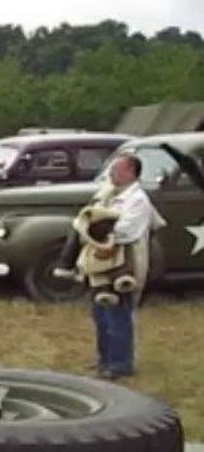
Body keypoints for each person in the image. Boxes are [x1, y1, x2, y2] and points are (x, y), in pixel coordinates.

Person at [80, 155, 161, 379]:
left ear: (130, 172)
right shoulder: (107, 195)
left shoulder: (137, 200)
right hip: (100, 260)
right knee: (101, 313)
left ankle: (121, 364)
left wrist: (98, 227)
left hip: (124, 263)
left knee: (118, 313)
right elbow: (90, 217)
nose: (111, 174)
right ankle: (104, 359)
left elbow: (125, 230)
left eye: (116, 169)